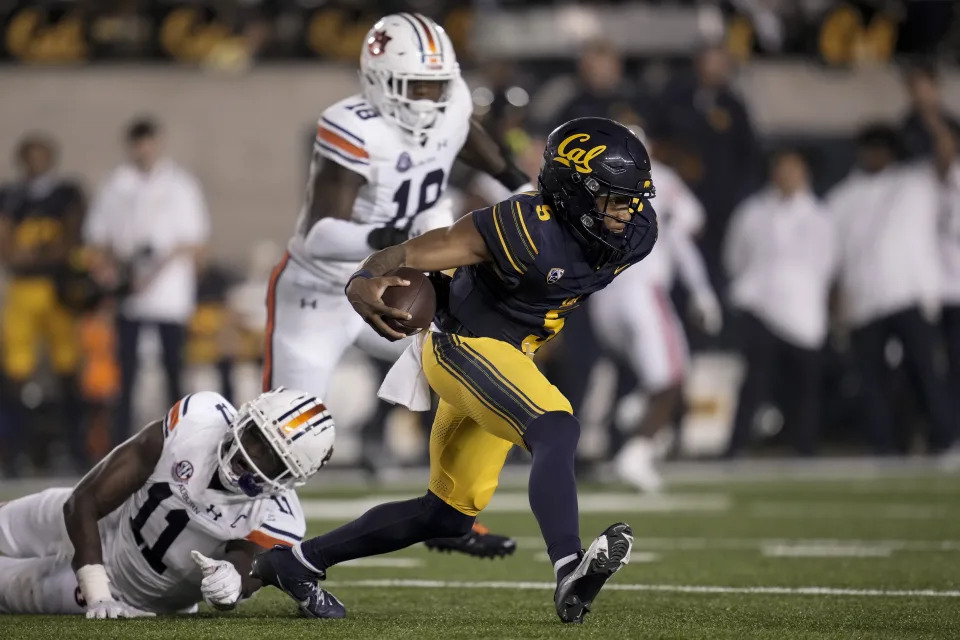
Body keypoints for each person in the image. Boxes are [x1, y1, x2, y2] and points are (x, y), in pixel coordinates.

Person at [251, 117, 656, 624]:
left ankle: (294, 561)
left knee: (446, 513)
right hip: (463, 345)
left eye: (631, 197)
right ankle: (570, 566)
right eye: (612, 198)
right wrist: (363, 279)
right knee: (556, 426)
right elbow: (411, 252)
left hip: (511, 355)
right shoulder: (519, 228)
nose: (627, 211)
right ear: (572, 191)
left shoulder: (637, 236)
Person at [265, 13, 529, 559]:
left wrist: (525, 190)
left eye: (439, 86)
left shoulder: (452, 103)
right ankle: (258, 545)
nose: (431, 101)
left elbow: (477, 147)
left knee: (464, 383)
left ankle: (446, 519)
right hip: (321, 292)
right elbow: (319, 236)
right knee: (290, 435)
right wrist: (400, 235)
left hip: (399, 281)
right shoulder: (353, 126)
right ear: (378, 81)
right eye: (418, 88)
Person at [0, 387, 339, 618]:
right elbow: (83, 504)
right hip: (107, 520)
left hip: (128, 593)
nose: (250, 455)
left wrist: (231, 584)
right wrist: (95, 587)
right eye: (255, 436)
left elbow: (245, 569)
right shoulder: (197, 422)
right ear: (244, 418)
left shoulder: (278, 518)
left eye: (270, 457)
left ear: (289, 476)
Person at [589, 144, 720, 491]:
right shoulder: (659, 178)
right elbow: (685, 231)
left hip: (601, 294)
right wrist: (702, 291)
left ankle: (632, 417)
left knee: (639, 373)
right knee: (673, 378)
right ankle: (637, 454)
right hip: (642, 291)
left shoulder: (588, 179)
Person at [84, 118, 210, 447]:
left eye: (148, 142)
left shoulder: (180, 184)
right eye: (138, 143)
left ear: (158, 142)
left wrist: (154, 270)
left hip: (168, 291)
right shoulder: (116, 185)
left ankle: (182, 440)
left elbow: (193, 241)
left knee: (173, 368)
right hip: (130, 293)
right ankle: (120, 443)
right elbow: (99, 238)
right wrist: (114, 274)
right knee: (126, 372)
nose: (144, 149)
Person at [829, 125, 953, 454]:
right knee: (872, 383)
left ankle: (944, 439)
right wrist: (838, 304)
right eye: (869, 148)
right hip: (864, 303)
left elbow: (946, 159)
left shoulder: (915, 183)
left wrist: (928, 112)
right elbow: (832, 259)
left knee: (925, 373)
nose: (875, 155)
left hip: (909, 295)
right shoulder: (841, 199)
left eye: (882, 148)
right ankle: (883, 446)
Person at [723, 149, 837, 457]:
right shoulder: (752, 211)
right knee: (755, 382)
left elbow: (827, 264)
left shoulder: (820, 216)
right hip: (760, 308)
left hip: (803, 314)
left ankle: (804, 448)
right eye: (781, 168)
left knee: (804, 388)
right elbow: (735, 258)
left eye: (793, 168)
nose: (786, 174)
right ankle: (736, 448)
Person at [0, 134, 85, 474]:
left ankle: (74, 447)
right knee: (15, 371)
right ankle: (15, 449)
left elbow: (71, 237)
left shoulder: (67, 192)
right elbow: (6, 243)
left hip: (58, 290)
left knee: (68, 368)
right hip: (22, 289)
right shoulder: (11, 195)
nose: (35, 163)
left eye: (41, 156)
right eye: (29, 157)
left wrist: (38, 253)